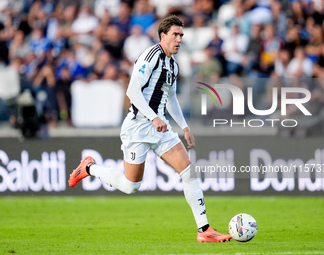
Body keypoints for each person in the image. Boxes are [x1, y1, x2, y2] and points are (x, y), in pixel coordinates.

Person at [68, 15, 232, 243]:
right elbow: (132, 91)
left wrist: (184, 127)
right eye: (175, 34)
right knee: (130, 186)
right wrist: (154, 117)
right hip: (138, 127)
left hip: (160, 129)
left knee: (189, 172)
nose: (179, 39)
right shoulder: (150, 56)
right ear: (163, 35)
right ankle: (90, 168)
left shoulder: (173, 65)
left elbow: (171, 98)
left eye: (182, 35)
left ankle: (204, 230)